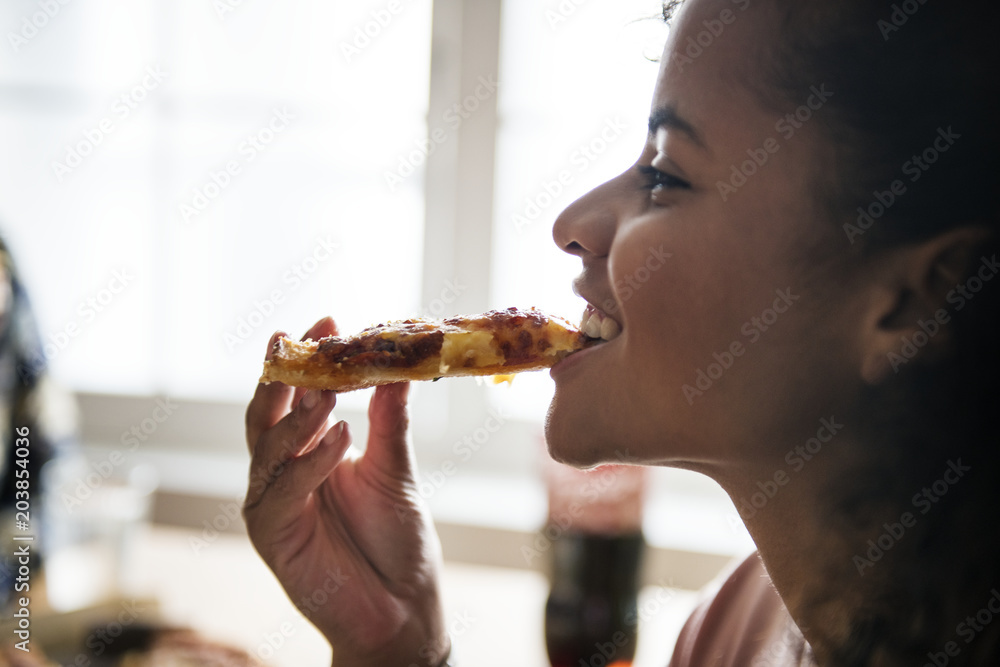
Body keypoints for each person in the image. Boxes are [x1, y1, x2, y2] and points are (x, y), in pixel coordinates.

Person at [242, 0, 1000, 664]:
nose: (570, 224)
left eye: (666, 174)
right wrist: (398, 647)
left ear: (914, 301)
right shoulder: (726, 632)